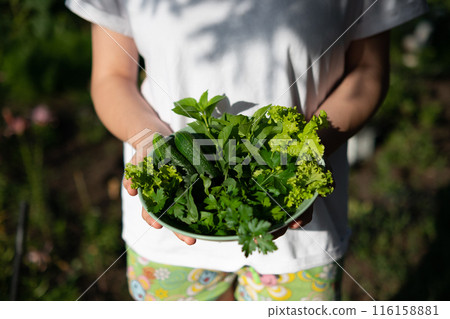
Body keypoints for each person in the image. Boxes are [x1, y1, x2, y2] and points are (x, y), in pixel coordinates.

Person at [66, 0, 428, 301]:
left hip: (302, 227)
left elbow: (368, 70)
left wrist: (307, 152)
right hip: (170, 226)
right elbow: (112, 75)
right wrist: (151, 143)